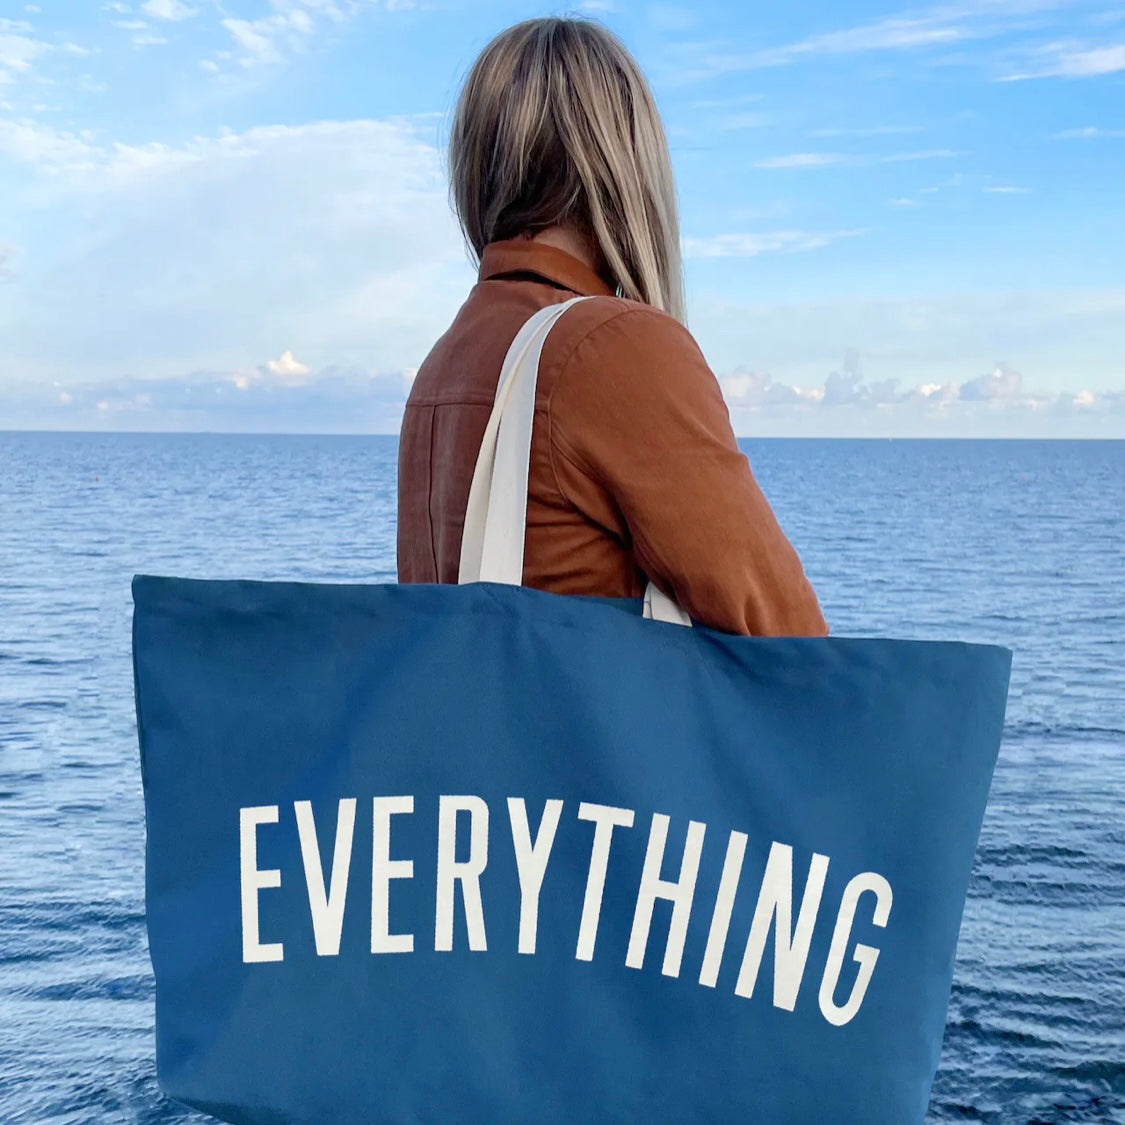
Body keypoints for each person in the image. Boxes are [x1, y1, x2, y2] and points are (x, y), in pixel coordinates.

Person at [397, 16, 828, 637]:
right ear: (626, 163)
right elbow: (785, 635)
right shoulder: (613, 347)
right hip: (588, 737)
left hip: (479, 734)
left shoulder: (444, 364)